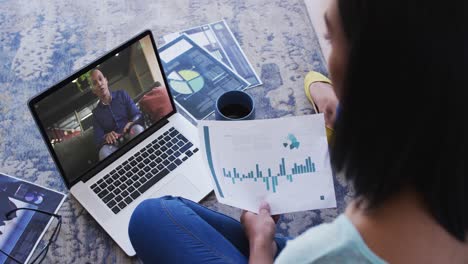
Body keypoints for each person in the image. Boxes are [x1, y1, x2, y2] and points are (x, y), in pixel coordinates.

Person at [127, 0, 468, 263]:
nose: (328, 57)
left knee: (149, 218)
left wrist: (262, 246)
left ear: (369, 74)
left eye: (331, 39)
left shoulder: (319, 252)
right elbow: (314, 80)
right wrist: (331, 96)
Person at [90, 69, 144, 160]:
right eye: (95, 83)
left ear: (106, 80)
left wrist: (131, 123)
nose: (99, 84)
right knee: (103, 153)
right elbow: (97, 140)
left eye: (100, 79)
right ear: (94, 91)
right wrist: (106, 136)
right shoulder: (96, 114)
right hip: (115, 146)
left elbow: (137, 114)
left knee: (137, 129)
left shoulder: (122, 94)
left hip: (131, 133)